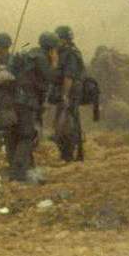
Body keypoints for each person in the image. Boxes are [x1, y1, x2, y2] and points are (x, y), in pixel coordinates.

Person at [10, 32, 59, 182]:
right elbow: (50, 78)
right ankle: (18, 175)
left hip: (16, 100)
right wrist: (55, 64)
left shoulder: (28, 54)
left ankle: (29, 171)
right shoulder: (42, 58)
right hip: (28, 103)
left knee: (22, 136)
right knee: (27, 136)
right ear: (51, 47)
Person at [51, 25, 86, 162]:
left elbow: (68, 77)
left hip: (70, 92)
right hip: (69, 91)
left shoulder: (70, 53)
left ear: (63, 39)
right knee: (68, 122)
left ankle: (69, 155)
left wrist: (65, 95)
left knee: (66, 124)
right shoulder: (66, 51)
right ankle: (70, 154)